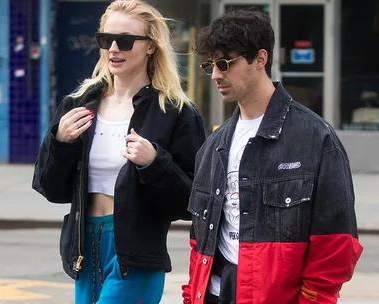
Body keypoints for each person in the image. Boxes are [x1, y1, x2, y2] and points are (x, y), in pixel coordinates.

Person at [182, 7, 363, 304]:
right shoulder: (214, 145)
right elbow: (198, 242)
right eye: (209, 66)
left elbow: (336, 244)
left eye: (225, 63)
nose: (215, 75)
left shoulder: (315, 138)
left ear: (260, 59)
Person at [32, 0, 206, 303]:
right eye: (105, 39)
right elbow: (50, 188)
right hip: (84, 246)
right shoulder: (78, 104)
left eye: (125, 41)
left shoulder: (175, 112)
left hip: (136, 252)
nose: (113, 48)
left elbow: (192, 200)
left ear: (150, 46)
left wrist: (155, 163)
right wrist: (61, 142)